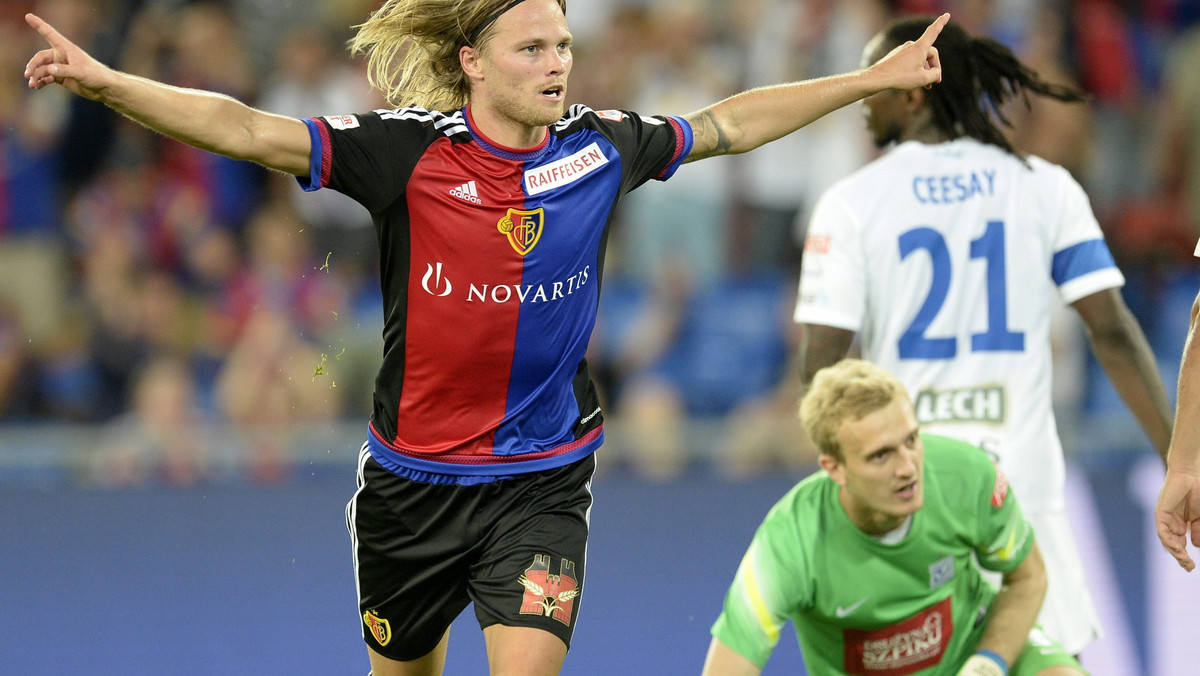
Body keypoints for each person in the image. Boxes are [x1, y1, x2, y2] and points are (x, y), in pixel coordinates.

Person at [23, 3, 949, 675]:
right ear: (472, 61)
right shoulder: (404, 151)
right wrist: (106, 83)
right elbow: (248, 129)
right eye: (534, 47)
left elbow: (730, 123)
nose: (558, 64)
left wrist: (870, 80)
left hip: (542, 479)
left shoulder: (601, 146)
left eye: (565, 47)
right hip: (410, 488)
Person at [791, 15, 1173, 657]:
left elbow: (822, 366)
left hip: (909, 490)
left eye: (875, 80)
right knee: (1052, 660)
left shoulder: (851, 203)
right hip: (1021, 487)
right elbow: (1111, 331)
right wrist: (1176, 455)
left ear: (913, 92)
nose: (863, 98)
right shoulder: (1044, 187)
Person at [702, 358, 1087, 676]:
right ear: (833, 468)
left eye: (911, 440)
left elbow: (1028, 577)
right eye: (880, 455)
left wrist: (987, 665)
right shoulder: (788, 542)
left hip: (974, 652)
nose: (908, 468)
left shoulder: (966, 477)